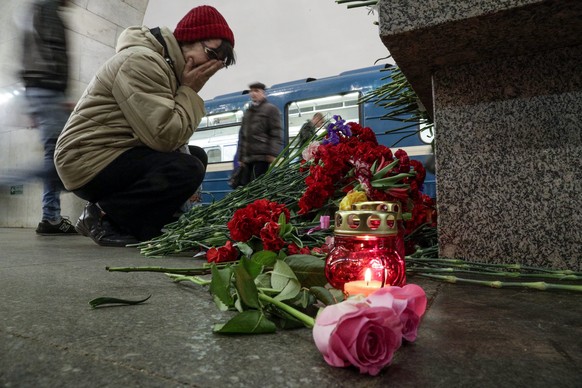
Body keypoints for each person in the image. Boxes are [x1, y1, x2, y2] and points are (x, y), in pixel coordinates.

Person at [54, 5, 236, 247]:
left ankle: (150, 221)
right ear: (189, 40)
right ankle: (103, 216)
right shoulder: (143, 62)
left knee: (197, 157)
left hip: (111, 152)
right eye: (211, 55)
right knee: (186, 168)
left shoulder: (167, 69)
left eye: (219, 63)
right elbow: (165, 137)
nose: (211, 68)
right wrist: (189, 92)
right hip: (85, 157)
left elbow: (173, 137)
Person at [20, 0, 77, 235]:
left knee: (53, 156)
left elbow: (26, 54)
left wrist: (31, 100)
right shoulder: (49, 9)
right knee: (58, 159)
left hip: (40, 89)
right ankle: (50, 216)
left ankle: (50, 216)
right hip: (50, 88)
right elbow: (54, 53)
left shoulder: (36, 9)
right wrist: (60, 93)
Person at [235, 82, 283, 184]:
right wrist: (241, 157)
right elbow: (243, 136)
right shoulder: (248, 112)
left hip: (262, 157)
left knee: (258, 186)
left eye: (256, 91)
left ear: (263, 93)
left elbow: (276, 132)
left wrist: (272, 154)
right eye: (251, 91)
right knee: (246, 187)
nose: (253, 93)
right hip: (248, 159)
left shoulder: (271, 109)